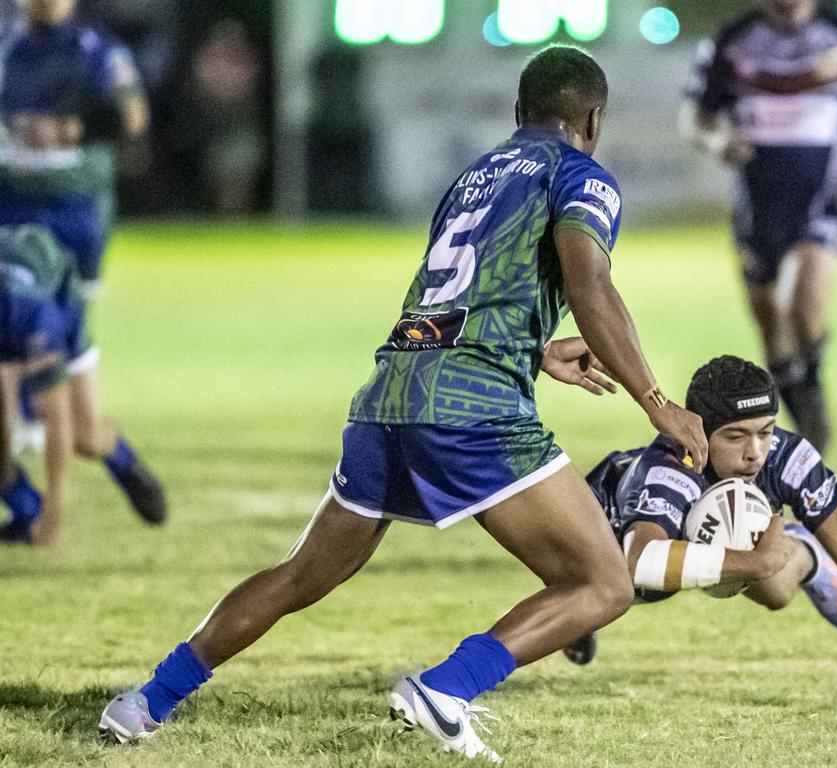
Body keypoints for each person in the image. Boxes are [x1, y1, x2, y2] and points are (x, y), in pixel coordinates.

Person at [97, 45, 708, 761]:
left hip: (390, 394)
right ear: (593, 120)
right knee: (602, 583)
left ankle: (146, 701)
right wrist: (657, 401)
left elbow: (451, 298)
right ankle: (446, 689)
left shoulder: (474, 178)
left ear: (519, 113)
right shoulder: (580, 176)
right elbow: (590, 285)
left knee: (301, 575)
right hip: (472, 410)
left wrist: (538, 352)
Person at [563, 355, 837, 671]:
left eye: (766, 431)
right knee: (605, 591)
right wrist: (756, 561)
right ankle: (583, 617)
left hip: (700, 549)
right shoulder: (670, 465)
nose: (755, 451)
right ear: (696, 430)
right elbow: (642, 562)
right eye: (736, 436)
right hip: (606, 533)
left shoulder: (786, 456)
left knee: (773, 591)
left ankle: (805, 556)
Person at [685, 0, 837, 452]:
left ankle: (812, 429)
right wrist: (718, 142)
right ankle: (805, 408)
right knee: (772, 331)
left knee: (801, 307)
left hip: (822, 201)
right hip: (757, 209)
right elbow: (696, 116)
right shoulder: (733, 40)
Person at [0, 0, 149, 452]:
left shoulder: (97, 50)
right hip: (12, 198)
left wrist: (69, 128)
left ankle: (62, 419)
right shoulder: (7, 46)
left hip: (73, 201)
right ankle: (20, 421)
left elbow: (133, 117)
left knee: (67, 313)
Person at [0, 224, 165, 544]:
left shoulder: (34, 319)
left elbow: (56, 420)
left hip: (58, 300)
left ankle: (121, 458)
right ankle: (25, 513)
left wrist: (55, 518)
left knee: (83, 436)